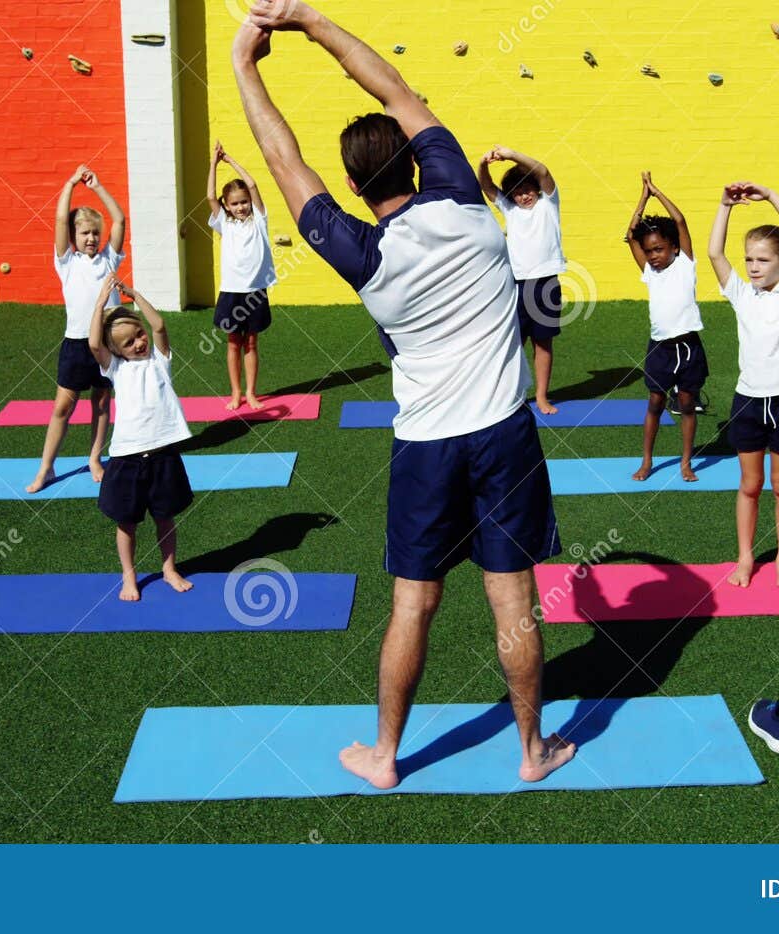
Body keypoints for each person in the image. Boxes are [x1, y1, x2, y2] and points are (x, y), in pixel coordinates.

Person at [232, 0, 575, 789]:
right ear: (417, 162)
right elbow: (391, 86)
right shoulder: (462, 196)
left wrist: (246, 61)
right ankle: (532, 752)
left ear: (354, 184)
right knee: (512, 602)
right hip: (504, 434)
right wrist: (310, 20)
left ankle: (386, 756)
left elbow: (281, 158)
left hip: (427, 448)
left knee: (414, 605)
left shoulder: (359, 251)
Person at [706, 182, 779, 587]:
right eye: (749, 259)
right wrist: (725, 206)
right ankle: (745, 558)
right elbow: (715, 253)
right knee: (750, 484)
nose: (753, 267)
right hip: (748, 404)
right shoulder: (742, 295)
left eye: (763, 259)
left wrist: (772, 195)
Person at [88, 273, 195, 601]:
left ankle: (169, 569)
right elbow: (94, 344)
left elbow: (159, 325)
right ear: (116, 350)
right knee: (126, 524)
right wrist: (100, 303)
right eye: (128, 343)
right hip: (127, 458)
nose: (138, 343)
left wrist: (134, 295)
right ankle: (129, 576)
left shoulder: (160, 361)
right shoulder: (116, 368)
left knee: (165, 518)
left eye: (138, 334)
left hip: (163, 455)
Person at [28, 164, 126, 494]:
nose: (91, 238)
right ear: (73, 237)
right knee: (62, 407)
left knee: (101, 403)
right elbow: (59, 220)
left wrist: (97, 187)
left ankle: (95, 458)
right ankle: (47, 467)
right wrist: (70, 184)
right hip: (75, 345)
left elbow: (119, 220)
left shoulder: (109, 260)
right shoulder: (66, 262)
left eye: (95, 233)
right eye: (84, 233)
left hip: (106, 344)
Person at [627, 171, 706, 483]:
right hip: (660, 348)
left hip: (688, 347)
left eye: (658, 249)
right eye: (649, 251)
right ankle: (647, 461)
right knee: (655, 403)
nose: (653, 256)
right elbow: (631, 234)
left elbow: (680, 221)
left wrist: (657, 192)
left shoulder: (685, 264)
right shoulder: (650, 272)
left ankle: (686, 463)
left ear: (674, 247)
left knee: (687, 405)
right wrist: (642, 198)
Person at [477, 145, 566, 414]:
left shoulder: (549, 204)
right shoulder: (510, 209)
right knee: (512, 343)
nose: (523, 196)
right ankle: (509, 396)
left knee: (543, 343)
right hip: (516, 284)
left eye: (527, 189)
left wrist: (511, 155)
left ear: (536, 189)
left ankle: (541, 396)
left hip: (546, 284)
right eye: (517, 192)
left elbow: (543, 172)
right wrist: (483, 164)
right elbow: (486, 186)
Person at [206, 141, 279, 411]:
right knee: (233, 343)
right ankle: (236, 393)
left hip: (255, 290)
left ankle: (251, 392)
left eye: (244, 202)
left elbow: (253, 185)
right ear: (227, 206)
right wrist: (214, 163)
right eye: (235, 204)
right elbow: (210, 196)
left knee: (251, 342)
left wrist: (231, 160)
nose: (240, 207)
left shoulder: (259, 219)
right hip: (231, 291)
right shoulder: (224, 223)